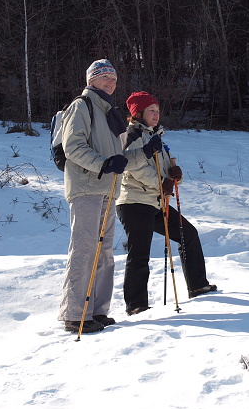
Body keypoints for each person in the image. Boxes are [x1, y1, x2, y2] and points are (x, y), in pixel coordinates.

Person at [116, 91, 217, 316]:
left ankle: (198, 285)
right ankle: (136, 304)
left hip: (155, 201)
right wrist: (163, 183)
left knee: (188, 234)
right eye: (151, 110)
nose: (156, 114)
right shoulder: (130, 136)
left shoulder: (157, 137)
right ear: (138, 113)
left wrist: (175, 176)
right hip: (133, 202)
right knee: (139, 251)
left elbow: (163, 173)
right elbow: (135, 168)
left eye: (158, 110)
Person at [57, 59, 130, 333]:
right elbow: (72, 147)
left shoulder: (110, 114)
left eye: (113, 78)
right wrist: (103, 163)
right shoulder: (81, 106)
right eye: (104, 78)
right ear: (91, 80)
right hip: (87, 188)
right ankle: (75, 314)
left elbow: (118, 156)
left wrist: (138, 155)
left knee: (104, 252)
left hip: (108, 189)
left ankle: (97, 310)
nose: (110, 82)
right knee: (85, 249)